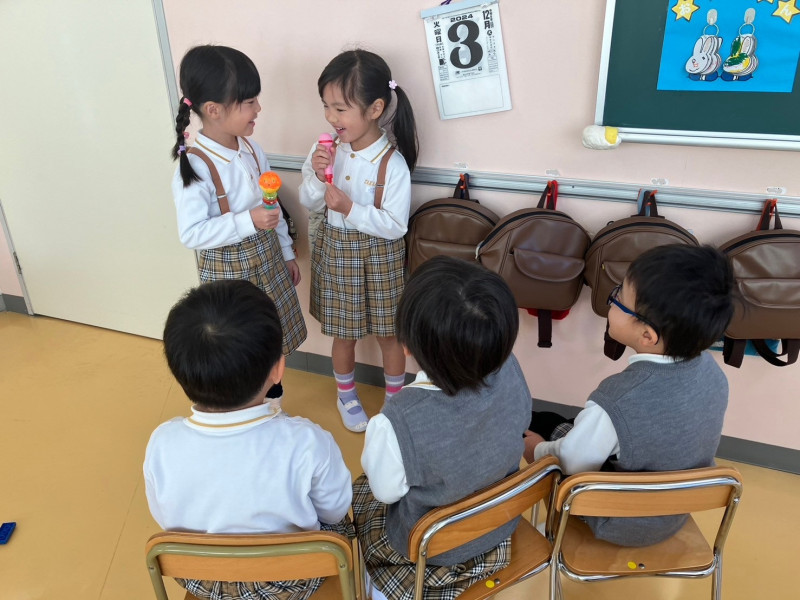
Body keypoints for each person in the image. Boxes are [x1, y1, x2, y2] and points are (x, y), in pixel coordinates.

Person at [144, 280, 353, 600]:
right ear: (278, 370)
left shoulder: (162, 443)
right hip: (296, 578)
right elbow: (335, 512)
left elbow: (165, 517)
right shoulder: (308, 442)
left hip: (205, 579)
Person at [525, 244, 736, 547]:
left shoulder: (616, 400)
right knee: (559, 422)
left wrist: (536, 450)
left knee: (538, 429)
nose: (611, 304)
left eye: (618, 299)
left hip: (614, 519)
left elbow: (572, 464)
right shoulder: (712, 373)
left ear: (648, 335)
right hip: (675, 507)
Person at [352, 256, 532, 600]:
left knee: (361, 496)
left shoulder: (397, 420)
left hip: (432, 546)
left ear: (406, 347)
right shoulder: (510, 367)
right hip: (499, 521)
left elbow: (386, 493)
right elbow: (521, 423)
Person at [171, 45, 306, 406]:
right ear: (213, 110)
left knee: (273, 342)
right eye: (248, 102)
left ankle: (273, 408)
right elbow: (192, 233)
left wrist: (287, 252)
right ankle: (241, 411)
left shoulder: (252, 149)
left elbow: (271, 205)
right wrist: (248, 220)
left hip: (269, 260)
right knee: (240, 350)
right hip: (230, 276)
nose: (258, 109)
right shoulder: (196, 166)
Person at [299, 49, 418, 433]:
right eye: (326, 107)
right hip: (337, 253)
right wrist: (318, 176)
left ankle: (396, 401)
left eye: (341, 109)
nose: (332, 118)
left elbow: (396, 226)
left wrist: (350, 208)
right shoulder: (326, 152)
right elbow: (308, 201)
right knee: (344, 333)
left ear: (375, 108)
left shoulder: (391, 163)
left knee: (389, 334)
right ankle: (346, 394)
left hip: (381, 256)